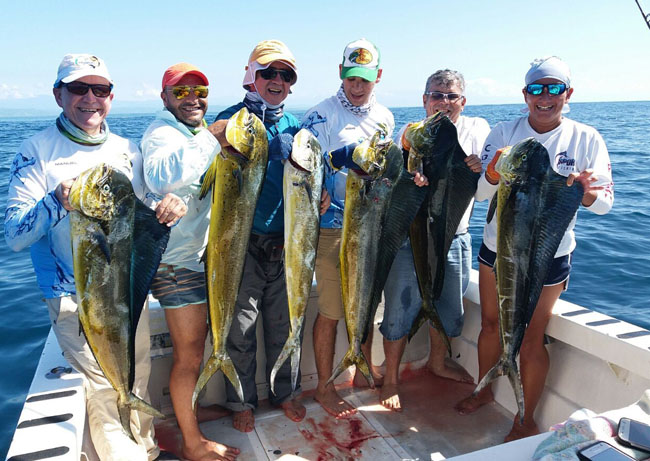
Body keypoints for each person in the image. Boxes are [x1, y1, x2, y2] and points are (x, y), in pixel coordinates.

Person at [4, 54, 186, 461]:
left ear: (111, 97)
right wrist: (56, 201)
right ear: (58, 95)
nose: (90, 98)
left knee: (135, 378)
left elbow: (142, 208)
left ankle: (149, 451)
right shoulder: (36, 151)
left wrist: (167, 204)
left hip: (123, 291)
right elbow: (14, 235)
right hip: (77, 300)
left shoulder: (127, 149)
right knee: (105, 391)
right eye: (78, 88)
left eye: (99, 89)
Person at [454, 56, 614, 441]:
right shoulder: (505, 132)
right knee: (491, 324)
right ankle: (484, 387)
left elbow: (606, 202)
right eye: (537, 89)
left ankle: (525, 418)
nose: (545, 97)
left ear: (567, 93)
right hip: (499, 251)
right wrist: (492, 174)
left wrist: (589, 194)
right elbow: (479, 193)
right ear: (526, 94)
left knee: (532, 335)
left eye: (554, 88)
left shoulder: (586, 138)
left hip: (548, 259)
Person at [211, 40, 314, 433]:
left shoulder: (296, 127)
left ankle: (284, 393)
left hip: (286, 244)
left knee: (286, 325)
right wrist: (217, 136)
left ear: (291, 85)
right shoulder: (230, 118)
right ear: (250, 76)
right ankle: (241, 400)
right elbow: (209, 143)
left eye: (285, 75)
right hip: (241, 246)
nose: (276, 81)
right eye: (268, 72)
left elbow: (308, 176)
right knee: (239, 328)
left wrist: (319, 194)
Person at [140, 63, 239, 461]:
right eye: (180, 92)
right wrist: (212, 140)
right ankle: (192, 442)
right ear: (165, 98)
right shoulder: (161, 132)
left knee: (198, 350)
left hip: (205, 261)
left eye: (198, 89)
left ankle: (190, 414)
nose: (192, 98)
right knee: (190, 355)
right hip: (175, 264)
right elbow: (161, 176)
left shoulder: (195, 132)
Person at [381, 69, 489, 411]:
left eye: (451, 95)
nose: (444, 102)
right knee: (399, 309)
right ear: (424, 99)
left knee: (449, 309)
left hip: (454, 236)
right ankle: (390, 378)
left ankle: (438, 363)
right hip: (411, 236)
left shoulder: (479, 129)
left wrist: (479, 166)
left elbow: (489, 181)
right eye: (437, 95)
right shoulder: (413, 131)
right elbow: (399, 164)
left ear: (463, 101)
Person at [302, 38, 394, 418]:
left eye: (366, 80)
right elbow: (304, 165)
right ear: (341, 73)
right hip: (330, 229)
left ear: (378, 77)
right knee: (331, 310)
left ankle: (360, 367)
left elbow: (387, 172)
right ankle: (325, 387)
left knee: (366, 304)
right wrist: (320, 184)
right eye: (352, 78)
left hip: (369, 227)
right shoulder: (319, 116)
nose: (357, 86)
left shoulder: (386, 118)